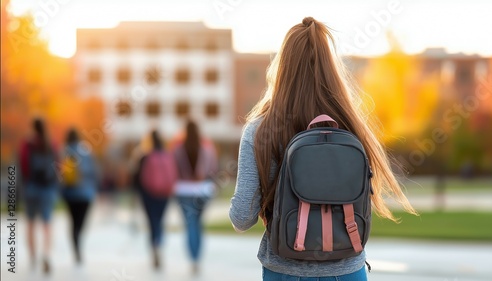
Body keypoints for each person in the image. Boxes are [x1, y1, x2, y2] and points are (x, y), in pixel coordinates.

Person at [229, 17, 417, 280]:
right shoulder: (351, 125)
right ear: (331, 68)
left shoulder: (260, 130)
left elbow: (241, 219)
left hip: (285, 271)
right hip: (347, 270)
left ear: (281, 68)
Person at [173, 120, 218, 275]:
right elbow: (213, 169)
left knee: (190, 224)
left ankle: (194, 259)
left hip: (184, 191)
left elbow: (174, 170)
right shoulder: (207, 147)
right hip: (202, 191)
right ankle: (197, 258)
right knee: (198, 224)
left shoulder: (178, 148)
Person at [19, 118, 59, 274]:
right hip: (47, 189)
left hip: (31, 188)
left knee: (30, 223)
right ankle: (46, 254)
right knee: (47, 224)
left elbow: (22, 165)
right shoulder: (52, 144)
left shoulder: (27, 144)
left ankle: (33, 255)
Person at [133, 130, 174, 270]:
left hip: (148, 194)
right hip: (164, 194)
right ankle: (159, 243)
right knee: (160, 221)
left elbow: (136, 178)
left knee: (152, 222)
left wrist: (137, 194)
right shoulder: (167, 155)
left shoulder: (144, 156)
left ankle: (154, 246)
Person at [59, 128, 98, 264]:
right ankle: (78, 240)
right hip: (86, 194)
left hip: (70, 193)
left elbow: (60, 173)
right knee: (81, 222)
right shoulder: (86, 151)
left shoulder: (65, 151)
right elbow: (94, 172)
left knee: (73, 221)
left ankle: (76, 246)